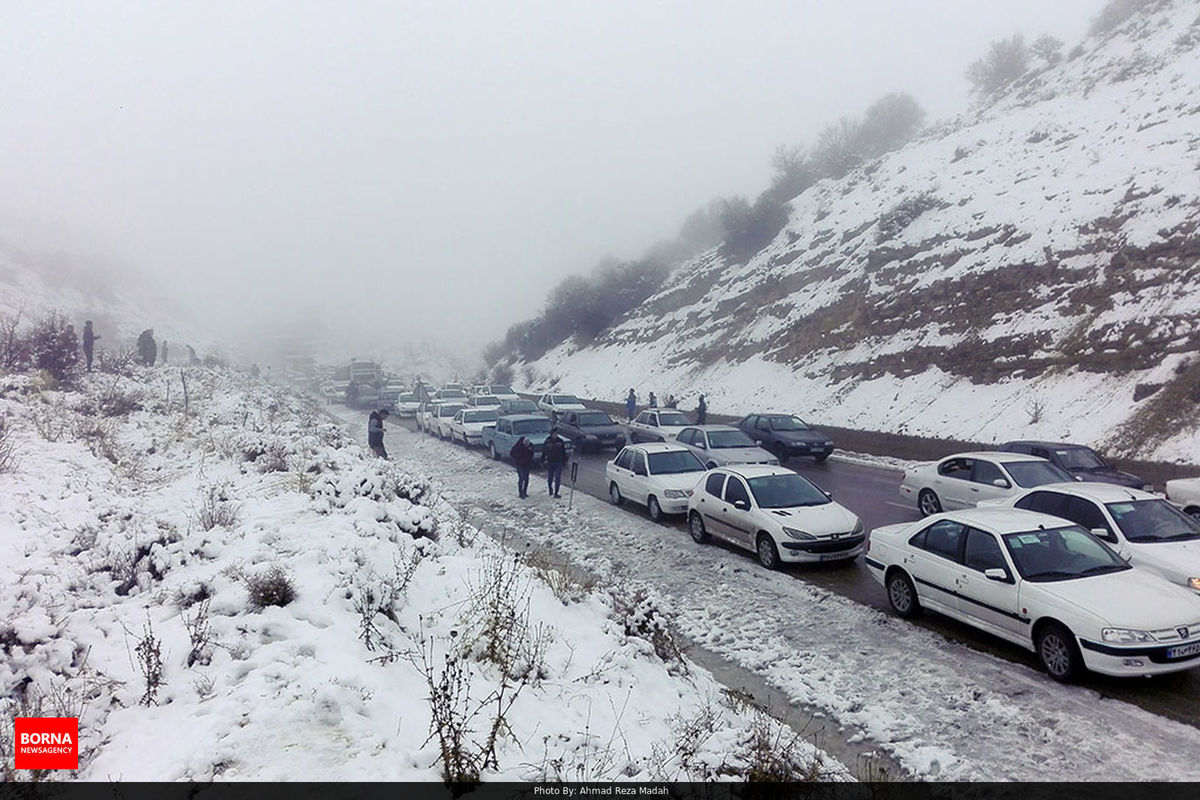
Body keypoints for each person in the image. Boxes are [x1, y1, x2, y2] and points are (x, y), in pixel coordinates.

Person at [543, 427, 568, 498]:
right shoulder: (547, 441)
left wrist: (565, 460)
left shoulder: (560, 441)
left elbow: (563, 452)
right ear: (551, 434)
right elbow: (544, 451)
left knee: (558, 477)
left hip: (558, 461)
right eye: (554, 434)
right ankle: (550, 488)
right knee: (550, 477)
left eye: (556, 434)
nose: (555, 435)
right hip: (550, 461)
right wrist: (543, 460)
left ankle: (556, 492)